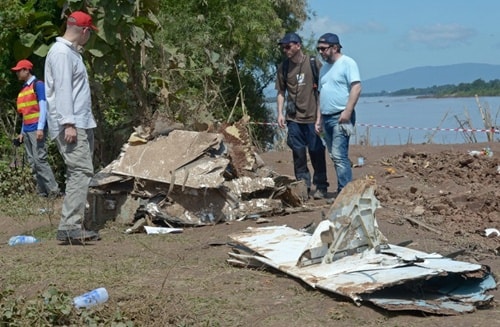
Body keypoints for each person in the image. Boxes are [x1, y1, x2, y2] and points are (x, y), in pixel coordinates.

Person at [45, 11, 99, 242]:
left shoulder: (70, 53)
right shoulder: (60, 54)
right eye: (90, 33)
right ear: (84, 31)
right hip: (71, 123)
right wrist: (68, 123)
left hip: (80, 122)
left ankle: (73, 223)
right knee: (80, 170)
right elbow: (63, 89)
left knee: (81, 171)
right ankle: (69, 226)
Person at [276, 32, 329, 199]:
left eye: (288, 46)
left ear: (298, 45)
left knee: (316, 151)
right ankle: (303, 186)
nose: (285, 50)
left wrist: (320, 117)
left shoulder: (313, 63)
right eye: (283, 47)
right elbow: (281, 92)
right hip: (293, 118)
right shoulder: (283, 68)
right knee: (298, 154)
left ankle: (321, 186)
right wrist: (279, 113)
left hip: (312, 117)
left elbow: (323, 90)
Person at [315, 33, 361, 195]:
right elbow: (321, 94)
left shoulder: (347, 63)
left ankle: (344, 192)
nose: (320, 52)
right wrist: (318, 119)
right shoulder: (324, 69)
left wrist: (347, 111)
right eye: (318, 49)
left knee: (339, 154)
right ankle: (344, 187)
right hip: (326, 116)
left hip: (341, 116)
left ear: (335, 48)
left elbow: (356, 87)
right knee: (334, 156)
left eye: (323, 48)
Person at [11, 59, 60, 198]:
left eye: (19, 71)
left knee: (40, 160)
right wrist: (21, 132)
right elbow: (25, 114)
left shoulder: (38, 85)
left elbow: (43, 108)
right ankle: (42, 192)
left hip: (36, 129)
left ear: (26, 70)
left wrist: (40, 128)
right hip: (27, 130)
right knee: (33, 162)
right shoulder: (24, 89)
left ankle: (54, 191)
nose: (17, 74)